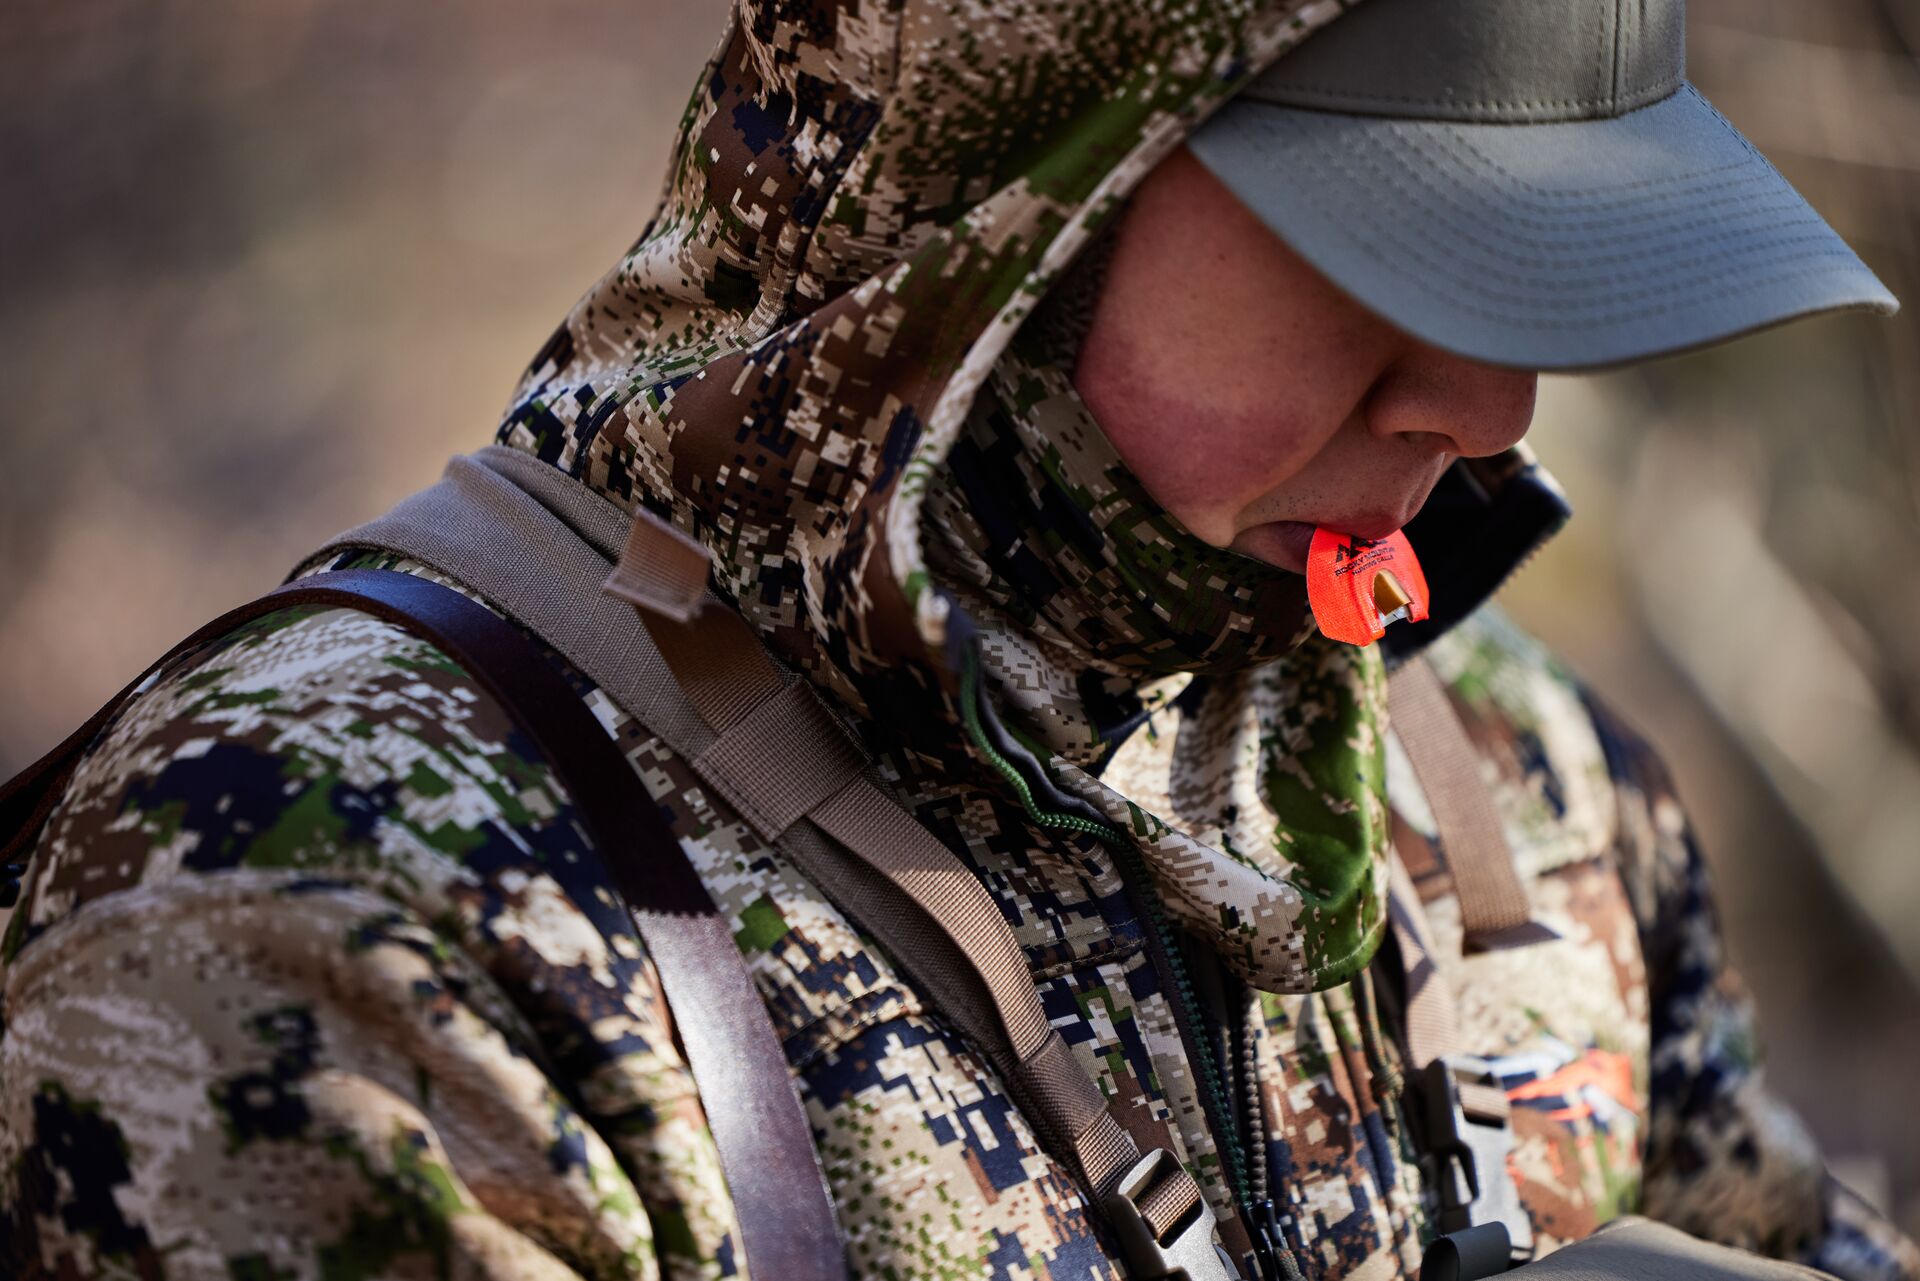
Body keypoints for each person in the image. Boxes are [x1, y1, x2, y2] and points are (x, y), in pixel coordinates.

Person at [3, 0, 1916, 1278]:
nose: (1492, 406)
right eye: (1400, 244)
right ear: (1007, 194)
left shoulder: (1516, 773)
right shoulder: (342, 881)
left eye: (1552, 267)